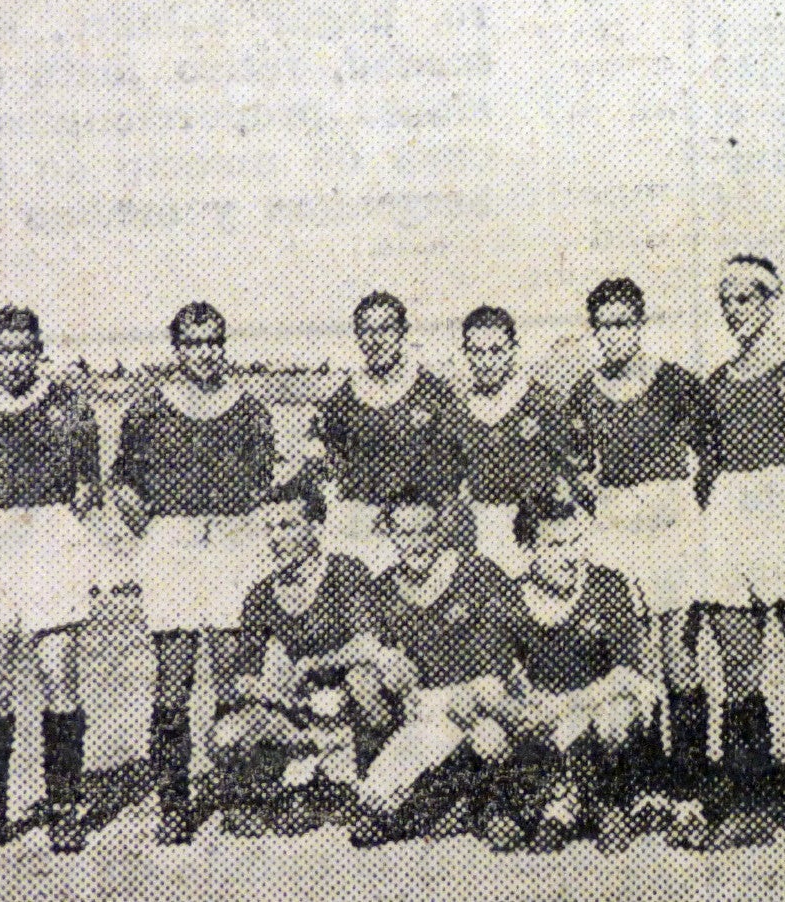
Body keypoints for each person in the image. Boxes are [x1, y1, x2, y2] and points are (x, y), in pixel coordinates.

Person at [680, 256, 785, 850]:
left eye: (746, 297)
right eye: (725, 299)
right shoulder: (716, 382)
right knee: (739, 672)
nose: (734, 309)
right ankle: (750, 801)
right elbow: (707, 468)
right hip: (731, 518)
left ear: (773, 301)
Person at [110, 302, 277, 845]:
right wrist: (157, 532)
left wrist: (235, 526)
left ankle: (236, 796)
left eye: (213, 341)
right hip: (173, 546)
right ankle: (174, 803)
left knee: (233, 679)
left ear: (223, 345)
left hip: (232, 542)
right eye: (193, 342)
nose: (204, 352)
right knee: (173, 683)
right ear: (176, 347)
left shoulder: (251, 409)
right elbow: (123, 483)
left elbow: (264, 483)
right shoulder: (147, 409)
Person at [0, 307, 101, 855]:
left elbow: (90, 479)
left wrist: (78, 502)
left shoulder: (69, 405)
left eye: (24, 349)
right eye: (4, 350)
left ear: (39, 350)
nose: (14, 360)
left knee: (59, 673)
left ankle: (64, 809)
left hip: (50, 535)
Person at [563, 277, 710, 839]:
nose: (614, 335)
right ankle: (645, 786)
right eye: (604, 325)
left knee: (678, 654)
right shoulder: (583, 391)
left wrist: (681, 509)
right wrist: (602, 507)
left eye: (624, 323)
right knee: (634, 659)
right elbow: (576, 468)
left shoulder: (676, 382)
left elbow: (710, 456)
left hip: (671, 518)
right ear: (594, 331)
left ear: (641, 326)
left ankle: (689, 792)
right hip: (618, 523)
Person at [468, 477, 656, 855]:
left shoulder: (607, 585)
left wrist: (569, 706)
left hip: (597, 706)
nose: (570, 556)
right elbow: (489, 680)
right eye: (555, 545)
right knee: (487, 729)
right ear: (527, 550)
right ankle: (522, 808)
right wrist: (516, 710)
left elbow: (626, 675)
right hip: (544, 714)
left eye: (575, 541)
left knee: (614, 715)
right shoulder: (511, 599)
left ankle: (603, 804)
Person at [208, 477, 402, 838]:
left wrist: (315, 665)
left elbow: (369, 645)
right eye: (270, 528)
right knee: (226, 735)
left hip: (351, 701)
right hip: (301, 706)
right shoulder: (261, 594)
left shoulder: (345, 572)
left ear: (315, 528)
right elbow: (243, 677)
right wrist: (279, 695)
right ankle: (264, 793)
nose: (276, 538)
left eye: (287, 526)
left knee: (364, 680)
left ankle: (370, 792)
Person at [348, 487, 522, 849]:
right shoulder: (384, 589)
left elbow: (493, 679)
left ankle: (493, 809)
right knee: (363, 680)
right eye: (405, 534)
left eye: (426, 532)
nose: (417, 544)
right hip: (428, 725)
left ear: (441, 531)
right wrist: (383, 655)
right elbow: (362, 638)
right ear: (390, 534)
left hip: (481, 708)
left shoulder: (476, 575)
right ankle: (426, 804)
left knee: (485, 732)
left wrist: (429, 702)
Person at [314, 291, 467, 575]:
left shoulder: (433, 393)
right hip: (363, 526)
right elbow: (336, 461)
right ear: (358, 337)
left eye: (386, 328)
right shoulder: (343, 400)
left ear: (402, 332)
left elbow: (451, 468)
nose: (377, 340)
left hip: (419, 527)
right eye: (367, 331)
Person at [446, 306, 574, 577]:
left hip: (538, 531)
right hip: (482, 529)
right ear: (466, 353)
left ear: (513, 348)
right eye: (477, 352)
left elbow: (568, 474)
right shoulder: (459, 412)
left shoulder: (542, 402)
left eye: (496, 351)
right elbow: (450, 482)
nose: (486, 361)